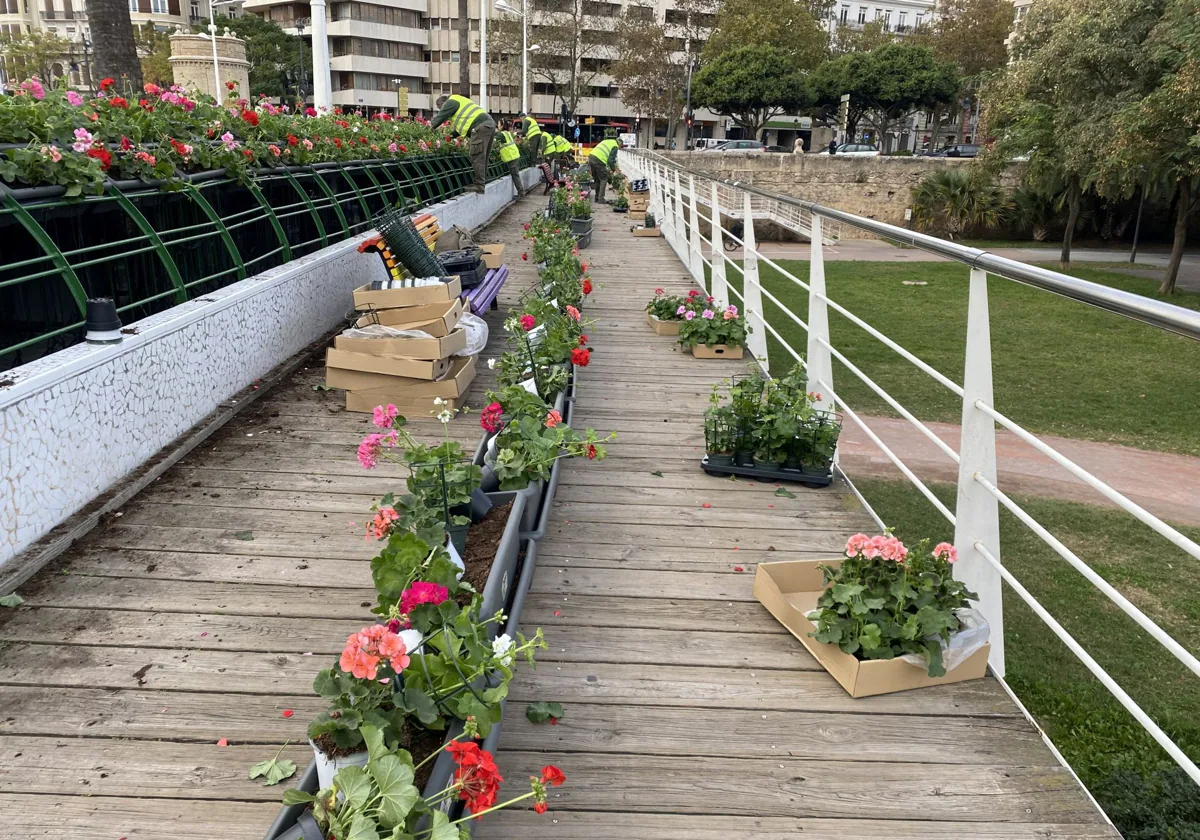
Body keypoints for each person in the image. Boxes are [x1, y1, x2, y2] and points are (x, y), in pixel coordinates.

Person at [431, 94, 495, 193]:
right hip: (488, 124)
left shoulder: (450, 102)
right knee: (483, 156)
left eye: (440, 107)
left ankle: (479, 185)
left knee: (476, 155)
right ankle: (482, 182)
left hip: (480, 126)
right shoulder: (458, 101)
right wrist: (449, 136)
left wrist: (426, 130)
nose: (441, 110)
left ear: (443, 103)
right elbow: (460, 129)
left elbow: (439, 119)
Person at [588, 136, 619, 203]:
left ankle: (596, 198)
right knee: (603, 179)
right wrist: (613, 169)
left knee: (597, 180)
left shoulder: (607, 141)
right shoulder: (615, 146)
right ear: (619, 143)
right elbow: (610, 161)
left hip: (591, 157)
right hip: (599, 160)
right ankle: (601, 199)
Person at [495, 126, 523, 194]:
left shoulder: (501, 134)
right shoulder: (507, 133)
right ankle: (521, 191)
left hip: (512, 156)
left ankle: (520, 192)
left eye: (498, 124)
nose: (497, 126)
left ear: (502, 125)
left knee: (515, 175)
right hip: (514, 155)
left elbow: (494, 139)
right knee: (515, 174)